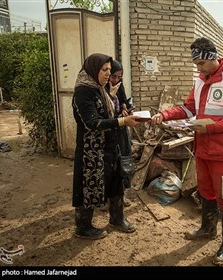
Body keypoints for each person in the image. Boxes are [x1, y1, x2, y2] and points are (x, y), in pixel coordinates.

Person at [151, 37, 223, 265]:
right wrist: (164, 115)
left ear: (212, 58)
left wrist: (213, 127)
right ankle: (207, 228)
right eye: (196, 65)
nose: (198, 69)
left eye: (200, 64)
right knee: (206, 191)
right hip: (203, 149)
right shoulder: (199, 81)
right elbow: (188, 108)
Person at [72, 53, 141, 240]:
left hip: (110, 144)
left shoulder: (101, 89)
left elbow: (112, 111)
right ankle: (83, 227)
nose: (107, 74)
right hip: (92, 150)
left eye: (109, 70)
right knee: (90, 185)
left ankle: (117, 219)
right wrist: (122, 121)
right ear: (94, 69)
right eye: (104, 70)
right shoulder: (84, 91)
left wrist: (123, 113)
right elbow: (92, 123)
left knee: (115, 179)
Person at [105, 60, 134, 208]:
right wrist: (110, 95)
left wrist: (126, 109)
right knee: (110, 166)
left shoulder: (119, 86)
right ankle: (106, 198)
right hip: (108, 134)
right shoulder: (100, 90)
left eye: (118, 77)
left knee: (122, 162)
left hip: (121, 132)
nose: (116, 80)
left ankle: (119, 195)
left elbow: (124, 103)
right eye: (113, 76)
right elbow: (102, 114)